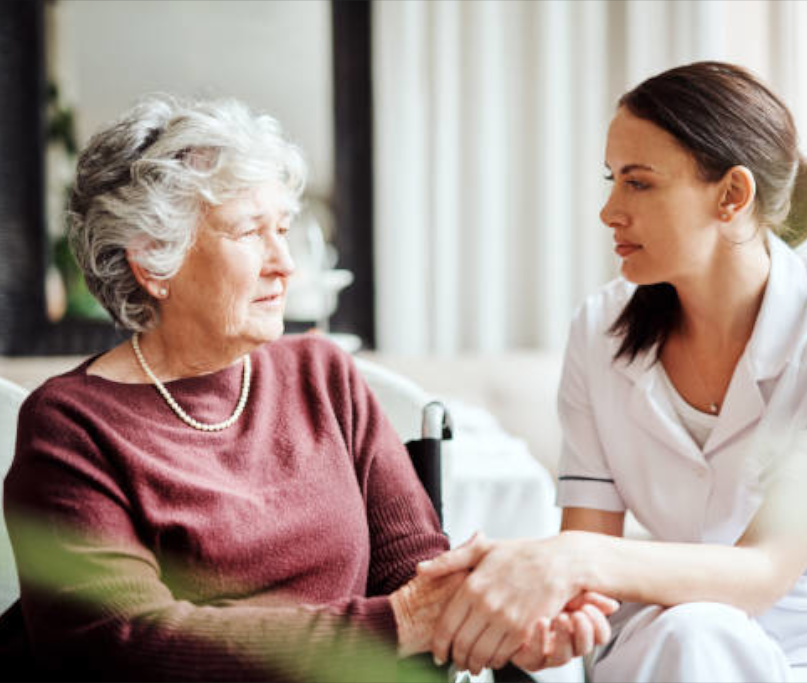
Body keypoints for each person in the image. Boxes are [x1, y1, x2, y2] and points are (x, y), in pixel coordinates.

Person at [2, 96, 613, 681]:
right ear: (152, 261)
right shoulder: (71, 424)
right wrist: (400, 624)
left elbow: (421, 576)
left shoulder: (324, 376)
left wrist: (502, 628)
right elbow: (124, 647)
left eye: (284, 228)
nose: (285, 262)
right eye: (248, 232)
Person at [418, 62, 807, 681]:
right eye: (612, 180)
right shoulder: (599, 332)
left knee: (701, 633)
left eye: (639, 184)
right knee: (694, 633)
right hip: (674, 639)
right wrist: (552, 622)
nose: (609, 212)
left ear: (732, 195)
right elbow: (589, 567)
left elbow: (764, 571)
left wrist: (570, 560)